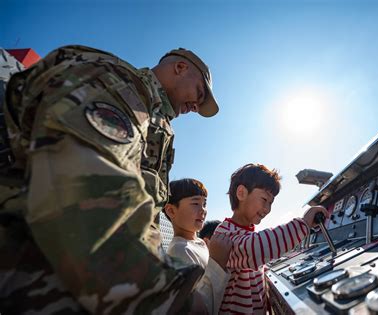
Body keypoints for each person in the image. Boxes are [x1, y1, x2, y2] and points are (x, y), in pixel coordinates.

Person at [0, 45, 219, 314]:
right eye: (199, 93)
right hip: (50, 286)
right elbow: (86, 201)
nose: (196, 106)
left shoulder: (148, 113)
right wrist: (170, 300)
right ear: (180, 68)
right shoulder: (116, 85)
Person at [214, 163, 329, 314]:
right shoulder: (224, 233)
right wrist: (304, 224)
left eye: (271, 203)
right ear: (241, 193)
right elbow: (255, 249)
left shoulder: (246, 233)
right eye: (264, 199)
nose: (267, 209)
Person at [164, 178, 231, 314]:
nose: (203, 210)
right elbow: (200, 308)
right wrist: (218, 261)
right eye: (195, 203)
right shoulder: (180, 250)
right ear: (171, 211)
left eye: (204, 204)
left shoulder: (199, 243)